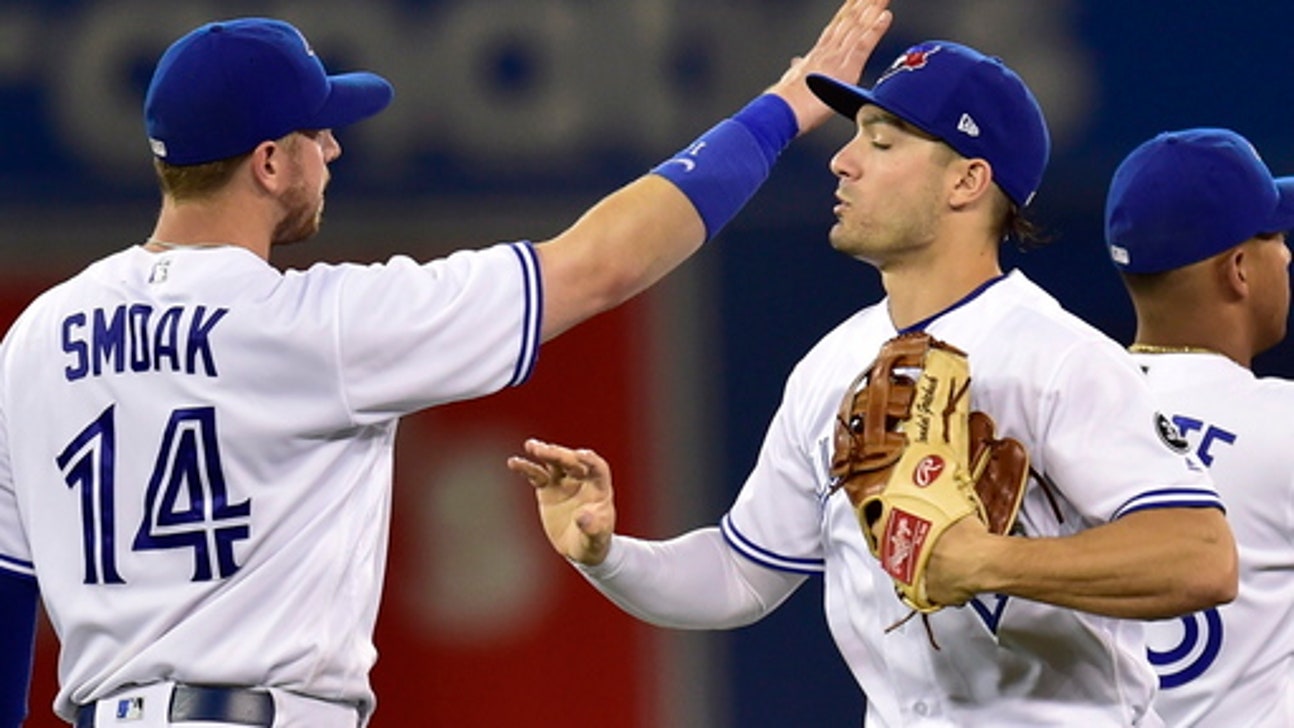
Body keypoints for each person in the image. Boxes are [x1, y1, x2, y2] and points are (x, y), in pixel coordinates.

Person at [0, 3, 896, 726]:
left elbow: (7, 591)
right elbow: (601, 263)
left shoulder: (38, 336)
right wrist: (788, 106)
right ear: (269, 162)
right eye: (318, 133)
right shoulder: (314, 327)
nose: (335, 148)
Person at [508, 40, 1240, 726]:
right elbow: (739, 576)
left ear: (967, 180)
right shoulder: (833, 364)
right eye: (855, 135)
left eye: (882, 142)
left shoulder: (1056, 356)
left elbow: (1199, 557)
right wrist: (608, 554)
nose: (843, 161)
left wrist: (985, 560)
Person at [1104, 127, 1294, 727]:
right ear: (1239, 269)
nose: (1286, 255)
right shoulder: (1280, 425)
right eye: (1274, 237)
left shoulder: (1061, 415)